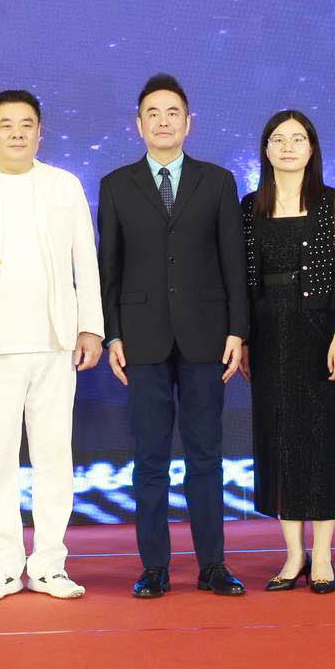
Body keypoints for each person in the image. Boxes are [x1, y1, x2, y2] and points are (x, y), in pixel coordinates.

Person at [0, 90, 104, 602]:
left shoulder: (64, 185)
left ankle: (50, 563)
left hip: (55, 343)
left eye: (26, 124)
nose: (16, 133)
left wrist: (91, 326)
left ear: (40, 132)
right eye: (6, 124)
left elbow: (86, 261)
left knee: (55, 458)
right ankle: (3, 565)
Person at [96, 74, 247, 599]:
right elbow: (109, 268)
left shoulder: (218, 182)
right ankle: (154, 567)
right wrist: (113, 334)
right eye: (153, 114)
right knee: (150, 459)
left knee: (206, 455)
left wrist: (238, 330)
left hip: (207, 337)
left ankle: (213, 565)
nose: (163, 122)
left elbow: (234, 263)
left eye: (172, 113)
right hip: (142, 339)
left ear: (189, 122)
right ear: (138, 125)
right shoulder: (116, 185)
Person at [242, 109, 335, 594]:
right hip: (269, 337)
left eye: (298, 139)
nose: (288, 147)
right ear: (266, 149)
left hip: (320, 335)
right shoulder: (250, 206)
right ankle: (294, 555)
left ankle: (324, 555)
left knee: (321, 441)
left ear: (312, 148)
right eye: (278, 139)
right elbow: (245, 280)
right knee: (279, 440)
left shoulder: (331, 202)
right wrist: (245, 339)